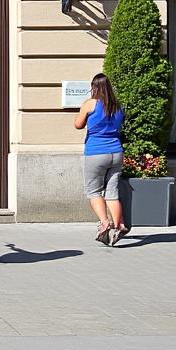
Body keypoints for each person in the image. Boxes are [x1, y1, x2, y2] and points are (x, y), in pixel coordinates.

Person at [75, 72, 127, 246]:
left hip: (96, 153)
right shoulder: (118, 106)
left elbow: (78, 124)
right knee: (112, 192)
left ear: (94, 87)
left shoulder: (90, 104)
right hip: (116, 152)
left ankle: (105, 223)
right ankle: (119, 225)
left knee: (94, 191)